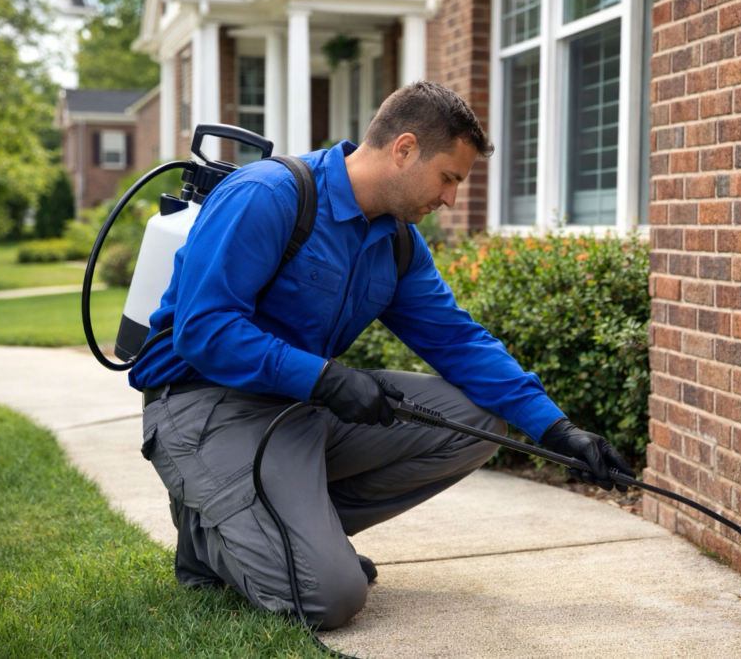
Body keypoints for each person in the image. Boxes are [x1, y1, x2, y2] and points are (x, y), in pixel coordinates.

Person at [130, 81, 635, 630]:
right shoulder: (270, 195)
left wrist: (557, 430)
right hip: (201, 407)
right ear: (404, 148)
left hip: (294, 407)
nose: (450, 200)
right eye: (449, 178)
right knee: (331, 598)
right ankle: (214, 538)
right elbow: (205, 331)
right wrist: (325, 378)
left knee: (473, 419)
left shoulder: (396, 241)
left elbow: (458, 340)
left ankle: (295, 534)